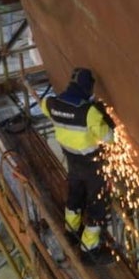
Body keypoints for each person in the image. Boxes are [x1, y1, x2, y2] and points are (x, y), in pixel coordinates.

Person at [40, 67, 115, 264]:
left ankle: (71, 232)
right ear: (87, 88)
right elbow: (109, 138)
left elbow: (43, 106)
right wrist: (105, 118)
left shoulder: (52, 103)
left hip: (72, 159)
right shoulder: (88, 112)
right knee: (97, 207)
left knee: (75, 198)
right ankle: (88, 250)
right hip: (92, 165)